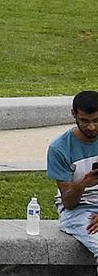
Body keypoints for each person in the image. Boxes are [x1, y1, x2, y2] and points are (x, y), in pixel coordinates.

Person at [44, 91, 98, 261]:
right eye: (85, 121)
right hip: (79, 210)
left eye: (96, 121)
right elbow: (68, 202)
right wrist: (82, 184)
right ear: (74, 114)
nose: (91, 127)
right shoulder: (59, 148)